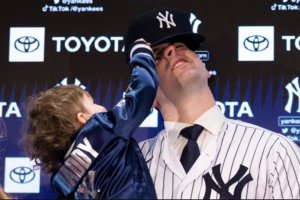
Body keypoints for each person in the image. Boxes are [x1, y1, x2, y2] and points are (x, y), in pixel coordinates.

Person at [124, 7, 300, 199]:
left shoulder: (274, 152)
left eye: (181, 46)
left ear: (206, 70)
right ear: (147, 93)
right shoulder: (131, 166)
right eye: (157, 55)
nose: (172, 51)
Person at [23, 39, 158, 199]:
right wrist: (140, 51)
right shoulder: (103, 130)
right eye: (93, 103)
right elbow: (145, 86)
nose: (102, 107)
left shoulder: (62, 182)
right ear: (83, 118)